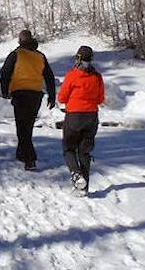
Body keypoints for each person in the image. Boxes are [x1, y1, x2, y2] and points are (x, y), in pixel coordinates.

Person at [0, 30, 56, 171]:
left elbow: (5, 73)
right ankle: (22, 153)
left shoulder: (16, 54)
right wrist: (52, 95)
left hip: (20, 94)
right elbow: (49, 76)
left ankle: (30, 158)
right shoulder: (40, 56)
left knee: (21, 127)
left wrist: (5, 91)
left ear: (20, 41)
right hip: (36, 95)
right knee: (28, 126)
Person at [58, 45, 105, 196]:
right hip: (91, 116)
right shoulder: (97, 77)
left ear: (77, 58)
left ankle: (76, 174)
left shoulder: (72, 75)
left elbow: (62, 97)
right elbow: (100, 99)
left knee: (69, 148)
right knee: (85, 152)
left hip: (74, 116)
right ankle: (84, 188)